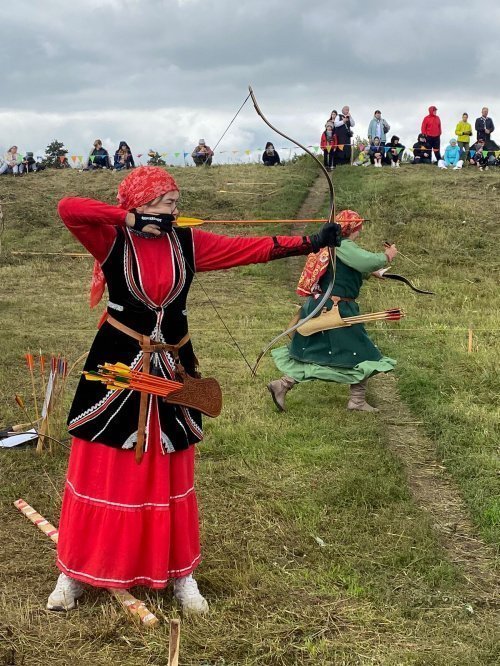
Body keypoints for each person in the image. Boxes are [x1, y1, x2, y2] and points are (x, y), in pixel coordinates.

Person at [46, 165, 342, 614]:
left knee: (171, 462)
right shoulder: (111, 239)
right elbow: (69, 208)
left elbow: (253, 248)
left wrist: (312, 242)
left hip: (174, 364)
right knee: (105, 461)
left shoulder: (187, 242)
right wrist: (128, 221)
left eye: (176, 202)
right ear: (141, 204)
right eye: (165, 202)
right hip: (118, 364)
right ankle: (75, 572)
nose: (174, 209)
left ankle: (180, 573)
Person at [267, 210, 398, 414]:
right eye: (358, 228)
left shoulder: (330, 246)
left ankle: (282, 384)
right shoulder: (342, 245)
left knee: (313, 350)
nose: (359, 232)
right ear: (352, 229)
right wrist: (387, 256)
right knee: (363, 352)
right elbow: (366, 261)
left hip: (321, 306)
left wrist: (371, 273)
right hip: (336, 309)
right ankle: (356, 401)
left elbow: (346, 269)